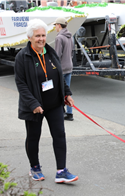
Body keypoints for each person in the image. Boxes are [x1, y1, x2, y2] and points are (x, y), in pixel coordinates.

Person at [14, 18, 78, 183]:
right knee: (34, 137)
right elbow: (21, 84)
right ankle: (34, 167)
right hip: (34, 106)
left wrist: (67, 94)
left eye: (43, 35)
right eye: (37, 36)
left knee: (59, 135)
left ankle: (61, 171)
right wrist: (33, 104)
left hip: (54, 104)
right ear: (30, 37)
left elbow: (59, 77)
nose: (41, 38)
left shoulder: (50, 52)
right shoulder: (23, 57)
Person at [54, 17, 75, 121]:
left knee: (59, 91)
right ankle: (69, 113)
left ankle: (61, 112)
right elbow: (72, 52)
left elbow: (57, 55)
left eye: (55, 25)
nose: (55, 27)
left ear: (59, 25)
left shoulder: (59, 38)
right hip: (69, 66)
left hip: (61, 68)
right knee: (67, 90)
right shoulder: (70, 37)